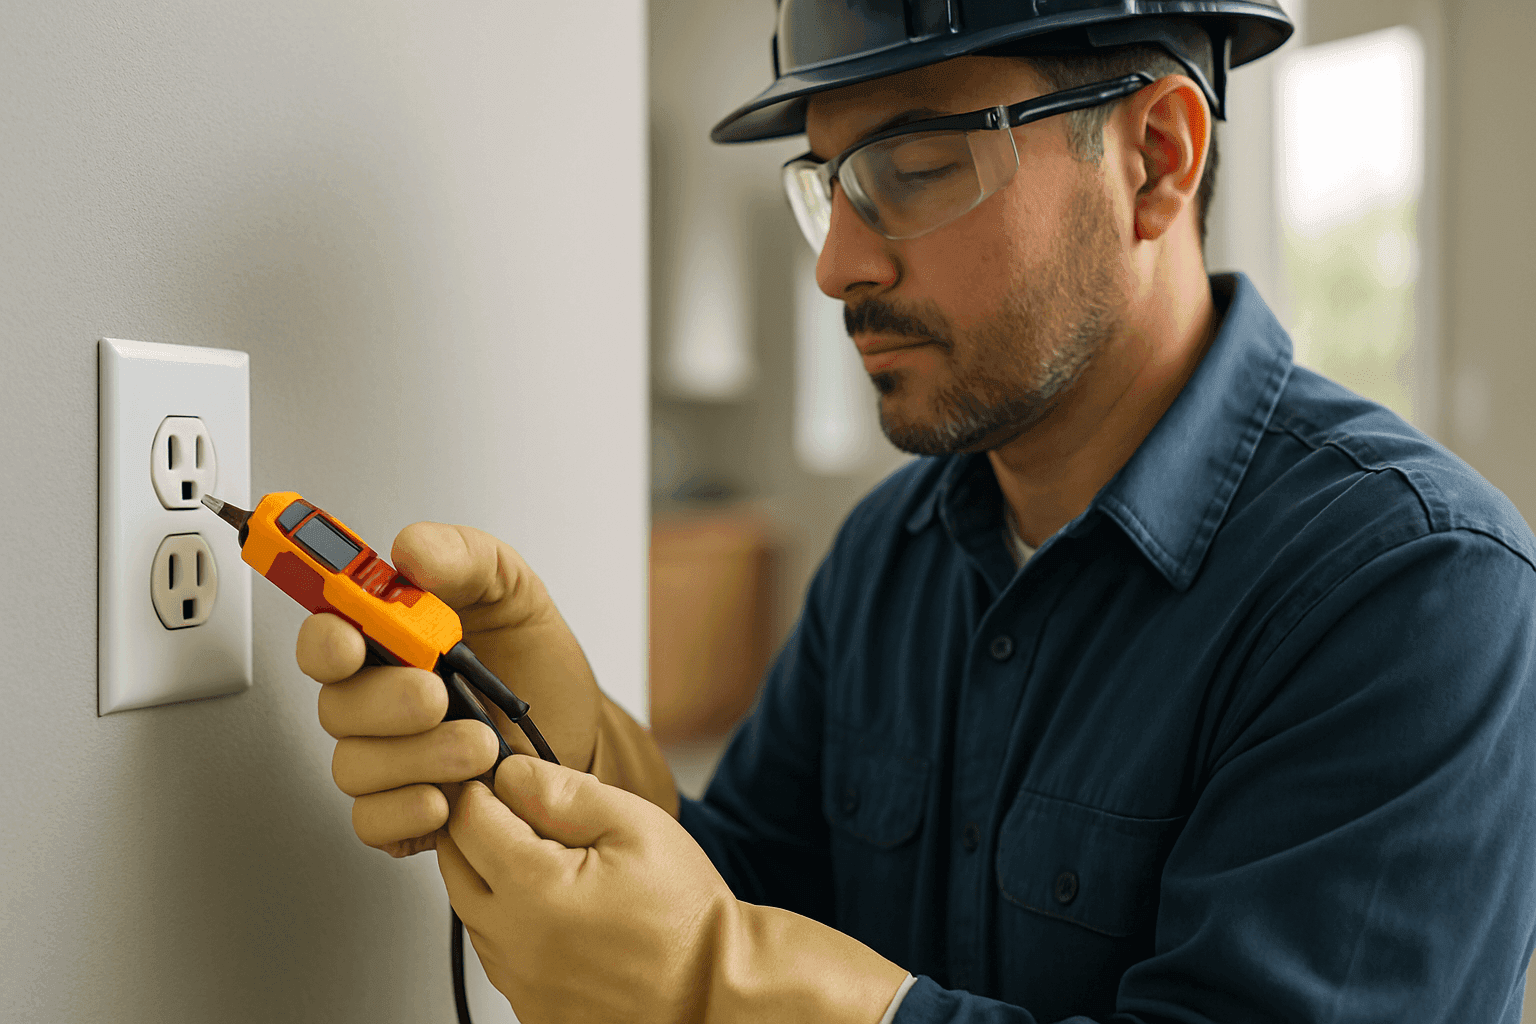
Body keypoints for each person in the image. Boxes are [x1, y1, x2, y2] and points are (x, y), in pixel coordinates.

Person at [297, 2, 1536, 1021]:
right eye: (829, 182)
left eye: (914, 166)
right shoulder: (889, 556)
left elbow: (725, 953)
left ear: (1156, 157)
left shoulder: (1419, 592)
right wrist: (562, 753)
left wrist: (718, 990)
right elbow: (747, 889)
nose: (839, 261)